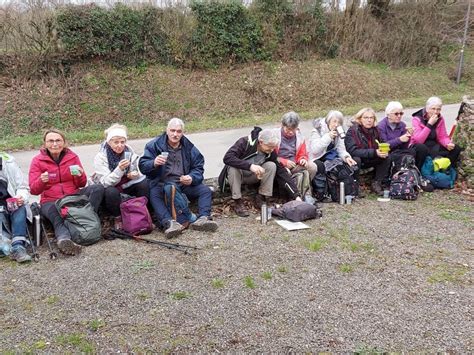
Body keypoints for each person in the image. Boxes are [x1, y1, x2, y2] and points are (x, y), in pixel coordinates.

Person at [29, 129, 104, 255]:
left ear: (64, 142)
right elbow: (33, 190)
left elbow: (82, 184)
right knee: (55, 214)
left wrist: (80, 175)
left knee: (98, 188)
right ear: (45, 144)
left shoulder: (72, 157)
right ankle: (64, 239)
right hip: (50, 200)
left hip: (73, 196)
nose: (54, 144)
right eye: (50, 141)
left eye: (58, 140)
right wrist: (41, 181)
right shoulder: (37, 161)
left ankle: (88, 219)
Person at [139, 118, 218, 238]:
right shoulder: (154, 145)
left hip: (182, 183)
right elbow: (143, 166)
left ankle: (203, 218)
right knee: (154, 194)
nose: (175, 134)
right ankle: (170, 223)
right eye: (172, 130)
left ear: (182, 133)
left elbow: (199, 167)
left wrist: (191, 177)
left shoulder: (189, 147)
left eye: (179, 131)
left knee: (205, 190)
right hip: (162, 184)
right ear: (167, 130)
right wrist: (154, 163)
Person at [218, 127, 301, 217]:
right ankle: (237, 201)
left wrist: (295, 195)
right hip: (238, 176)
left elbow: (281, 172)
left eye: (273, 147)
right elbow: (227, 158)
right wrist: (250, 166)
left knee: (271, 165)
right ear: (261, 142)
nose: (272, 150)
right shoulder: (244, 142)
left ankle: (261, 197)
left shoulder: (270, 151)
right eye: (270, 147)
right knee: (233, 168)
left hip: (253, 177)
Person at [93, 124, 149, 229]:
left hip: (127, 184)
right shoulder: (101, 157)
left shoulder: (129, 151)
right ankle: (117, 217)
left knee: (144, 183)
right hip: (112, 187)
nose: (120, 145)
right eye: (116, 142)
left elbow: (136, 168)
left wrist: (134, 174)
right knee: (110, 191)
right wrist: (119, 169)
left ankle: (144, 212)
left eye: (122, 142)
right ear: (109, 142)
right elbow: (105, 182)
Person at [345, 108, 390, 195]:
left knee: (387, 157)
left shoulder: (376, 130)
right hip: (359, 160)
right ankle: (355, 185)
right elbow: (352, 151)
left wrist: (383, 150)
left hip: (371, 158)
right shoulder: (353, 131)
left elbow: (383, 142)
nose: (369, 120)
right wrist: (374, 152)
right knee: (356, 159)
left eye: (371, 118)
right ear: (360, 119)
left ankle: (376, 183)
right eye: (366, 118)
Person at [274, 111, 318, 196]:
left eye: (293, 129)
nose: (290, 132)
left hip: (295, 164)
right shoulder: (275, 135)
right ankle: (288, 194)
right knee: (285, 172)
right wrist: (284, 162)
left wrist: (303, 159)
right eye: (288, 129)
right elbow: (271, 155)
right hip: (280, 165)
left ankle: (304, 190)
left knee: (312, 167)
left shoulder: (300, 137)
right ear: (283, 126)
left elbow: (303, 153)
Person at [411, 97, 462, 166]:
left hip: (434, 145)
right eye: (433, 109)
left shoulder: (440, 119)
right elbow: (418, 140)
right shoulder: (417, 119)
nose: (435, 112)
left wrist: (447, 143)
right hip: (421, 146)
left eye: (438, 109)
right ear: (427, 108)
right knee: (422, 148)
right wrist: (429, 125)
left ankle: (446, 168)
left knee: (456, 148)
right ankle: (422, 170)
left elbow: (442, 136)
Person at [378, 101, 428, 170]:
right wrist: (399, 140)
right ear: (388, 115)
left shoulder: (402, 125)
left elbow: (404, 147)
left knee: (421, 148)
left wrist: (408, 136)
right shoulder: (381, 126)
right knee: (404, 155)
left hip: (400, 151)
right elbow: (384, 145)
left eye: (401, 113)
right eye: (396, 114)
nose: (399, 116)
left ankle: (416, 171)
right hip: (388, 152)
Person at [0, 152, 32, 263]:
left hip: (10, 204)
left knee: (20, 207)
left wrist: (20, 197)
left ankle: (18, 247)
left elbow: (22, 186)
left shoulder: (8, 162)